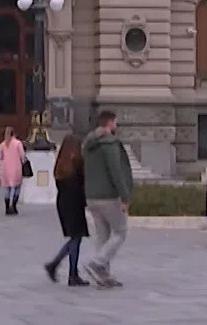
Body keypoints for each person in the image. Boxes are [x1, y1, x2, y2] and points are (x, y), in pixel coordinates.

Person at [82, 110, 134, 288]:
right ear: (110, 123)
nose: (117, 125)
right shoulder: (109, 144)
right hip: (109, 196)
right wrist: (125, 196)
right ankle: (97, 263)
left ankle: (103, 276)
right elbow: (116, 172)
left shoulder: (89, 144)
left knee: (103, 236)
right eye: (115, 122)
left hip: (92, 196)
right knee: (120, 232)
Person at [43, 133, 90, 287]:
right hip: (75, 203)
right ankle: (61, 267)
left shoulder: (60, 164)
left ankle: (70, 272)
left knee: (75, 237)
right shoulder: (77, 163)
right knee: (76, 237)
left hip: (63, 202)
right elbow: (82, 184)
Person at [0, 126, 26, 216]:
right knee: (17, 187)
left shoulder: (3, 144)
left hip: (6, 168)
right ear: (14, 133)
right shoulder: (18, 143)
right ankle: (13, 206)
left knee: (7, 188)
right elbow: (22, 155)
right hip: (16, 168)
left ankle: (7, 208)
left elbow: (0, 156)